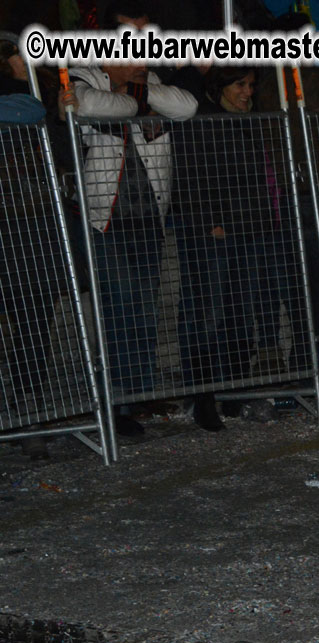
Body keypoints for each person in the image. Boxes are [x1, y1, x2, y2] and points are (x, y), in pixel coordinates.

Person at [71, 61, 197, 436]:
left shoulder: (151, 81)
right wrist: (137, 101)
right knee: (118, 305)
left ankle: (139, 390)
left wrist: (132, 96)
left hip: (148, 215)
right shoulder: (84, 76)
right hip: (103, 216)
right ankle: (116, 399)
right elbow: (88, 104)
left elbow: (186, 107)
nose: (142, 61)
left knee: (144, 305)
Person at [173, 66, 296, 430]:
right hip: (217, 234)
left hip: (249, 230)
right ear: (221, 86)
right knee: (208, 313)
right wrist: (210, 221)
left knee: (241, 312)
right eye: (240, 84)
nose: (248, 92)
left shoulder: (247, 121)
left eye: (251, 85)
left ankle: (235, 389)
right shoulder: (202, 122)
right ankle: (204, 396)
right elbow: (189, 176)